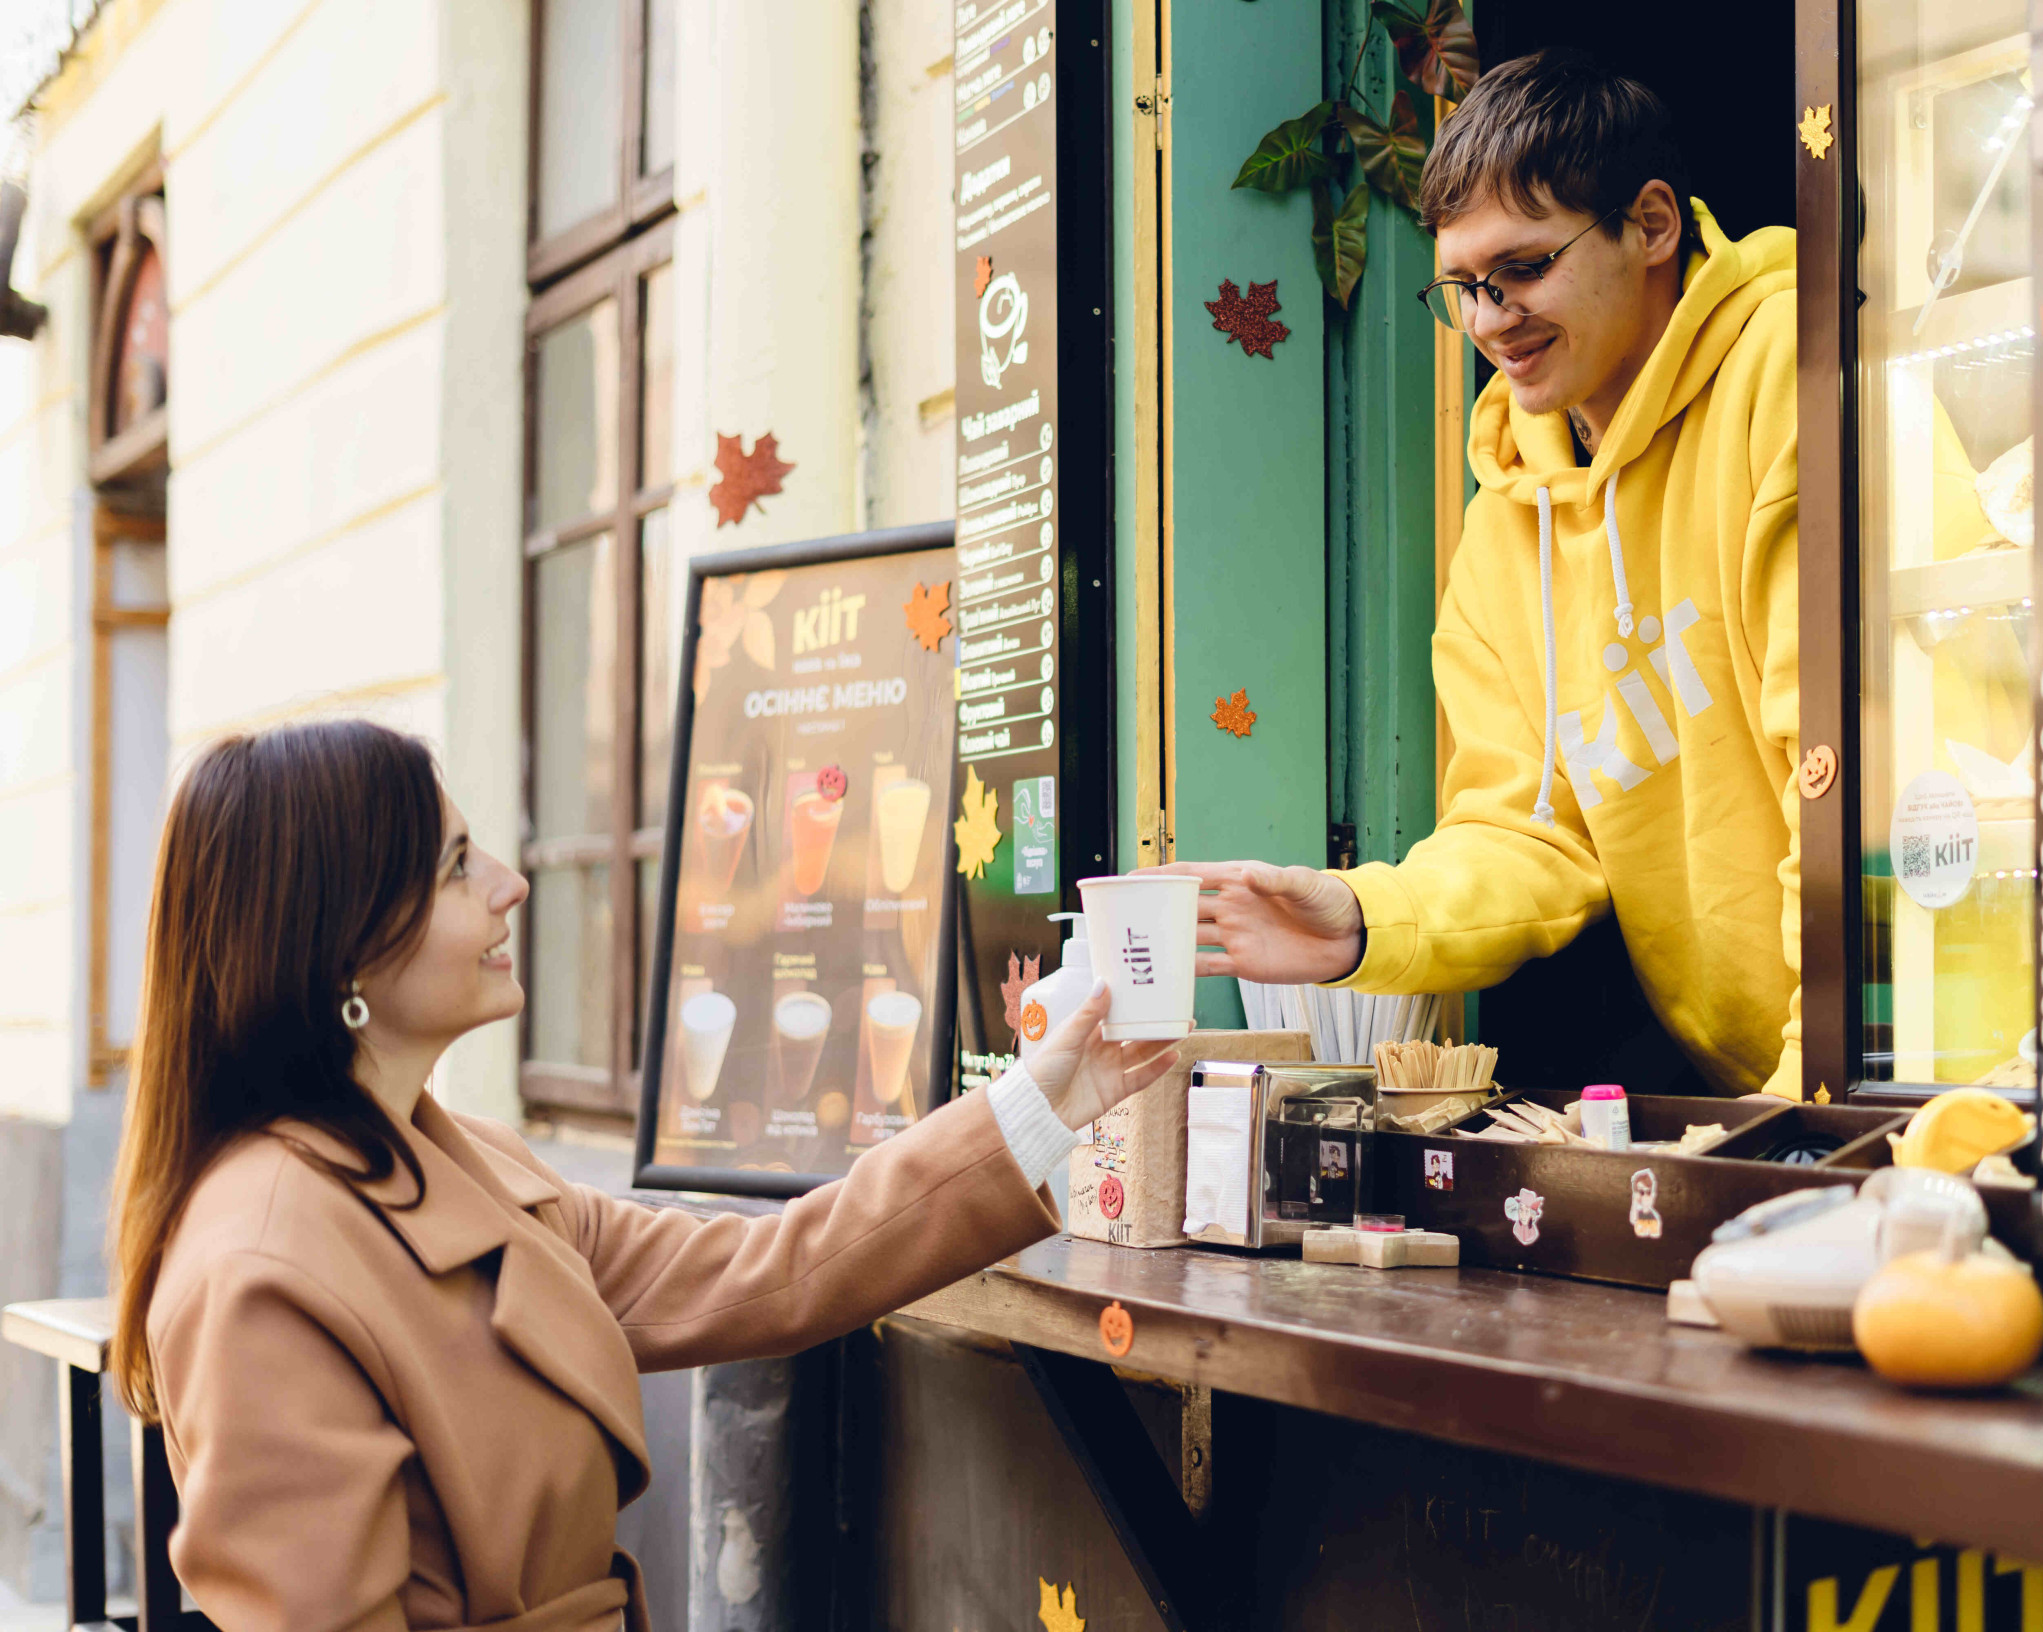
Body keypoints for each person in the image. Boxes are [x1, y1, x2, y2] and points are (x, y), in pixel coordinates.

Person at [110, 720, 1175, 1632]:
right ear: (340, 947)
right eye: (455, 865)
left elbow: (770, 1268)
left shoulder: (467, 1163)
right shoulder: (259, 1269)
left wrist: (1040, 1106)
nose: (511, 886)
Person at [1172, 49, 1805, 1099]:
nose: (1489, 318)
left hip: (1894, 1061)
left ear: (1651, 225)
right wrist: (1368, 920)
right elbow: (1524, 832)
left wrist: (1809, 1097)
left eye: (1523, 268)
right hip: (1758, 1097)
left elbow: (1833, 767)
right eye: (1463, 285)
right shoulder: (1508, 518)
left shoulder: (1782, 371)